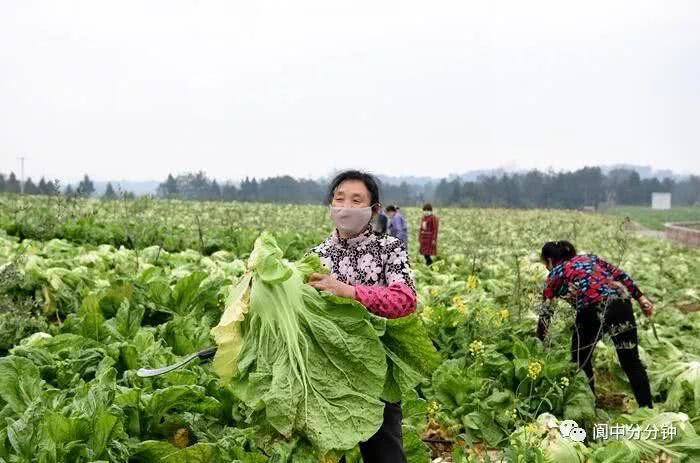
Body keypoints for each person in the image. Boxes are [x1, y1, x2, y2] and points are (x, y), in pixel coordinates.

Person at [308, 170, 415, 463]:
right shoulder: (315, 257)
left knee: (385, 454)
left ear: (374, 210)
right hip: (326, 374)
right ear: (330, 205)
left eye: (357, 200)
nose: (346, 206)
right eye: (339, 198)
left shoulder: (389, 250)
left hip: (377, 372)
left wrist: (351, 292)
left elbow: (404, 301)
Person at [536, 240, 654, 408]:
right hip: (621, 304)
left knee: (580, 357)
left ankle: (590, 403)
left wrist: (540, 339)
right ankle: (647, 409)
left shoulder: (556, 272)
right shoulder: (590, 259)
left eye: (545, 264)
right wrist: (641, 298)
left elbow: (546, 311)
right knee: (631, 361)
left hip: (592, 310)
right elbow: (620, 275)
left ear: (549, 260)